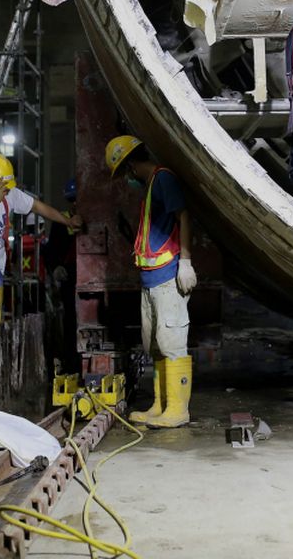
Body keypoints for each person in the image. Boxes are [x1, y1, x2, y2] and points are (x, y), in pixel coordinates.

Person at [105, 136, 197, 428]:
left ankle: (178, 409)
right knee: (156, 346)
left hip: (168, 277)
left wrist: (185, 261)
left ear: (131, 166)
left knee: (171, 343)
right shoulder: (152, 186)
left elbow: (183, 216)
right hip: (150, 280)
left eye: (125, 173)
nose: (127, 180)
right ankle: (161, 405)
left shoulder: (164, 179)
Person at [0, 154, 83, 326]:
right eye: (3, 189)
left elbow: (36, 206)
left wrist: (68, 221)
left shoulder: (7, 193)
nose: (6, 193)